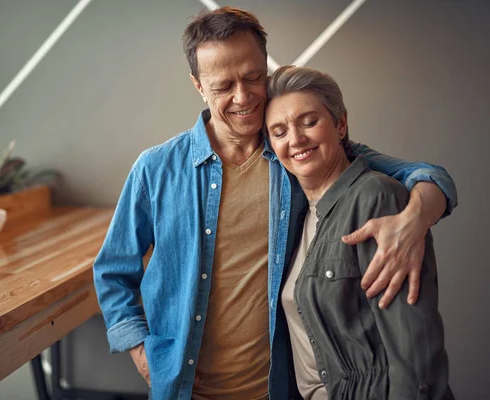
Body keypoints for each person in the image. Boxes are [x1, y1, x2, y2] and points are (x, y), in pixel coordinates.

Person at [93, 7, 457, 400]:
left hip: (277, 390)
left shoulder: (297, 154)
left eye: (252, 77)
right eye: (223, 85)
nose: (242, 96)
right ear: (198, 86)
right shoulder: (156, 169)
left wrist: (413, 221)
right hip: (184, 390)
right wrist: (140, 351)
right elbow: (113, 270)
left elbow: (427, 175)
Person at [265, 65, 454, 399]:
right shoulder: (293, 215)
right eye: (279, 132)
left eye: (309, 122)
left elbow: (415, 354)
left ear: (340, 124)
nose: (295, 139)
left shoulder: (376, 198)